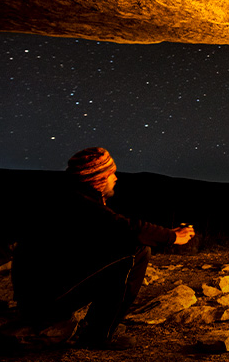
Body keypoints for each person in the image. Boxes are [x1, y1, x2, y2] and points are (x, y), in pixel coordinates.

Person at [11, 147, 195, 349]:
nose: (116, 178)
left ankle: (86, 328)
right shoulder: (78, 203)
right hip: (44, 300)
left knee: (122, 249)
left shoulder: (72, 198)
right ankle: (97, 335)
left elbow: (114, 230)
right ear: (97, 179)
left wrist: (167, 233)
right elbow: (127, 229)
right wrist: (173, 237)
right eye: (110, 174)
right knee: (137, 252)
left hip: (40, 295)